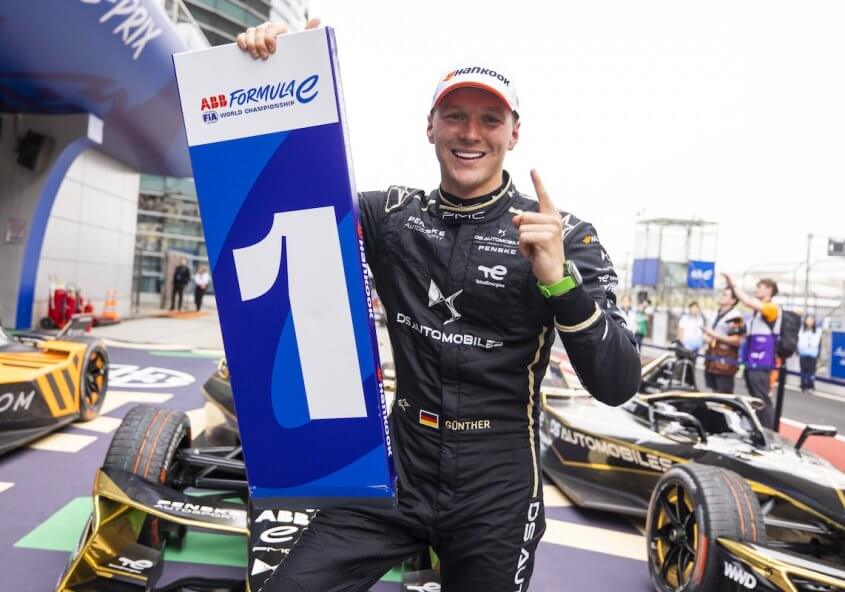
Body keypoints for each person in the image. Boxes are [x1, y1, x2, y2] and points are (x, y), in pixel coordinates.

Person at [238, 20, 641, 592]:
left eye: (489, 119)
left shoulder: (563, 234)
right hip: (398, 463)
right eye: (455, 115)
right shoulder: (390, 216)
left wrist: (558, 280)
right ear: (430, 126)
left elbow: (619, 382)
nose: (470, 132)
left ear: (514, 134)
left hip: (497, 480)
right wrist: (279, 71)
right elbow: (289, 204)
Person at [723, 274, 780, 428]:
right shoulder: (757, 315)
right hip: (752, 361)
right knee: (756, 398)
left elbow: (748, 302)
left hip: (762, 363)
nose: (756, 290)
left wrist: (734, 285)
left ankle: (768, 432)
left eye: (759, 287)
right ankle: (759, 427)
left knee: (762, 399)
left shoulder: (771, 308)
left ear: (769, 290)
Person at [702, 287, 746, 394]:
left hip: (725, 361)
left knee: (724, 393)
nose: (721, 296)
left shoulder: (735, 316)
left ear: (733, 301)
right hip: (711, 358)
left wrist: (714, 335)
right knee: (714, 391)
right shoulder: (715, 313)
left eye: (725, 295)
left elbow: (737, 340)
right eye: (722, 293)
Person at [798, 315, 822, 393]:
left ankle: (811, 385)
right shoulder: (801, 330)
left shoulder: (817, 331)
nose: (809, 322)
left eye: (811, 320)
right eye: (808, 320)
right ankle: (803, 385)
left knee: (812, 370)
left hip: (813, 353)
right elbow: (798, 340)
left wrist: (818, 353)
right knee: (803, 369)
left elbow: (819, 343)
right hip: (803, 353)